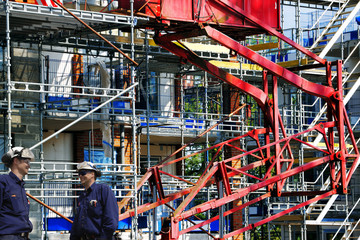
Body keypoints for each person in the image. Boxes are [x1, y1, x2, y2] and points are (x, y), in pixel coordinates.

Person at [70, 161, 118, 240]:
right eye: (79, 174)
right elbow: (77, 223)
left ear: (92, 174)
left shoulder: (103, 190)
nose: (80, 176)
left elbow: (111, 221)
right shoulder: (82, 196)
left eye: (83, 173)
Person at [0, 147, 35, 240]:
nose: (29, 165)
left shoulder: (20, 187)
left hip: (23, 236)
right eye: (26, 161)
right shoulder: (3, 182)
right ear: (16, 160)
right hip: (8, 236)